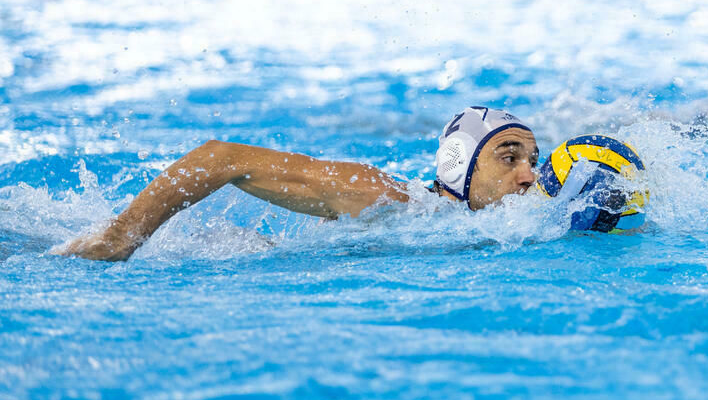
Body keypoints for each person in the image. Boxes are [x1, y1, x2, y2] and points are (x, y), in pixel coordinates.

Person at [56, 107, 539, 261]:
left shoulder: (520, 221)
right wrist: (123, 235)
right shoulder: (388, 198)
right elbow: (219, 157)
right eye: (508, 157)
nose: (527, 175)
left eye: (532, 161)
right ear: (459, 167)